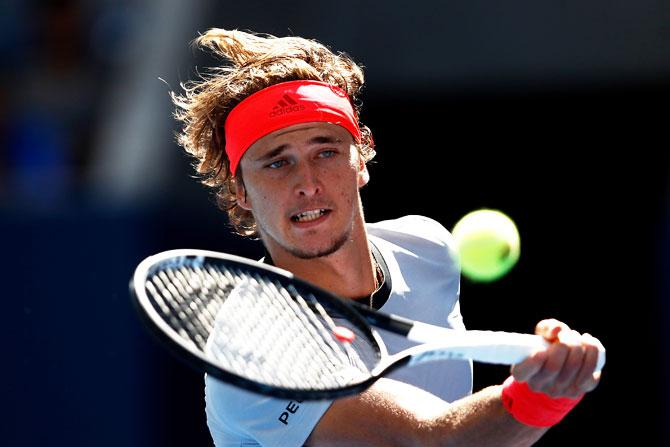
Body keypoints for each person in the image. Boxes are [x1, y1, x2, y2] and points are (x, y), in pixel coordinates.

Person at [172, 28, 603, 447]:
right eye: (276, 163)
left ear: (361, 157)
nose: (307, 183)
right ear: (240, 191)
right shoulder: (255, 352)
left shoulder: (427, 250)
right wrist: (540, 396)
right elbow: (429, 439)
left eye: (326, 151)